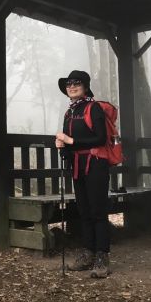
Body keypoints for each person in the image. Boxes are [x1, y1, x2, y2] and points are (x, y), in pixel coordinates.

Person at [55, 70, 111, 279]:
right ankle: (88, 253)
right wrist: (63, 147)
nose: (71, 86)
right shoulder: (69, 113)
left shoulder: (93, 107)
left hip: (96, 164)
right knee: (84, 211)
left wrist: (71, 142)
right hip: (78, 165)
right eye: (68, 83)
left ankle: (102, 257)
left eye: (76, 83)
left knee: (97, 211)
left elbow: (100, 138)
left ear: (85, 86)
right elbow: (70, 144)